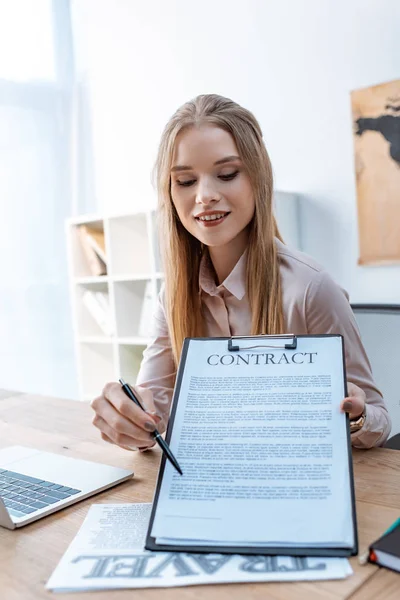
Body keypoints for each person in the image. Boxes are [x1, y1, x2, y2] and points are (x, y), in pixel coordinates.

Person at [91, 94, 391, 452]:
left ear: (257, 179)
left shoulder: (311, 288)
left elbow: (379, 422)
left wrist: (356, 416)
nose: (204, 196)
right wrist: (131, 420)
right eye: (185, 181)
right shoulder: (172, 297)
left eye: (227, 174)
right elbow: (154, 413)